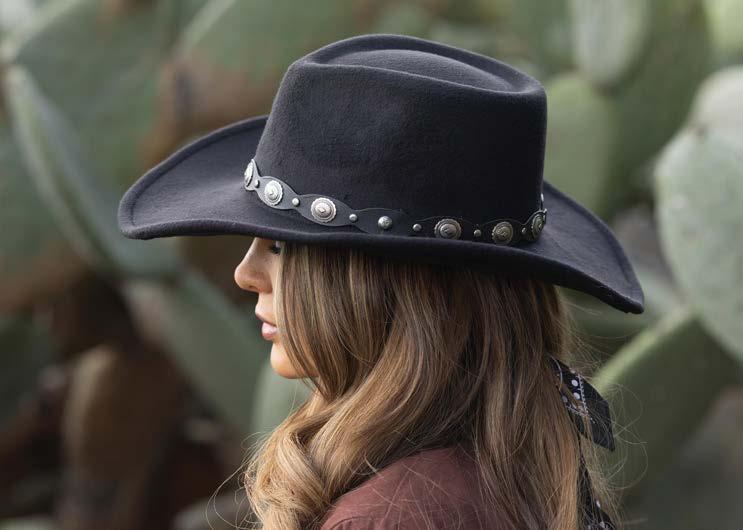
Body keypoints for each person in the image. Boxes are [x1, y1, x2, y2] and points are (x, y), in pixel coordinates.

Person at [118, 34, 644, 529]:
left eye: (279, 246)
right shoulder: (496, 469)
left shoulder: (393, 516)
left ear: (389, 285)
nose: (246, 274)